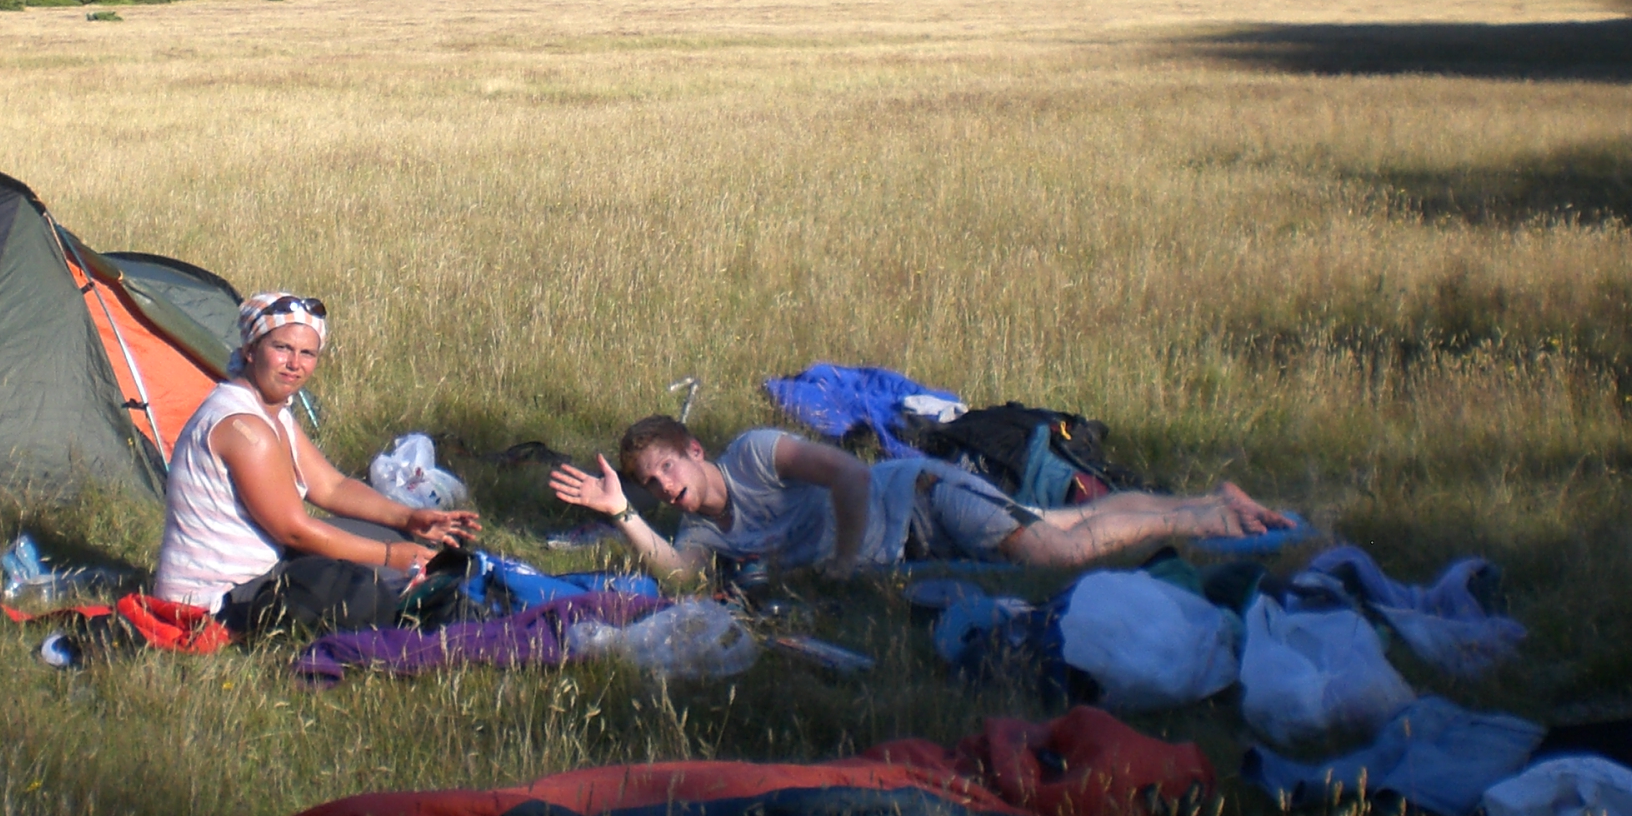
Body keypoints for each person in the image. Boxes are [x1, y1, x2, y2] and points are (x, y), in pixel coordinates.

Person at [549, 415, 1284, 578]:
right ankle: (1202, 500)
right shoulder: (705, 537)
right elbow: (679, 578)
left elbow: (850, 474)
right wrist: (621, 516)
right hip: (913, 540)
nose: (664, 489)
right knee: (1068, 519)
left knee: (1056, 553)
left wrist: (844, 562)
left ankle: (1214, 519)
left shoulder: (756, 453)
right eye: (651, 486)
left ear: (694, 452)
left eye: (666, 472)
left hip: (922, 498)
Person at [155, 291, 479, 631]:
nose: (295, 364)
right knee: (365, 591)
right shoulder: (244, 428)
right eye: (282, 348)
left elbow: (331, 487)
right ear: (251, 350)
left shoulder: (272, 414)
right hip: (218, 600)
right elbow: (294, 532)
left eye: (307, 353)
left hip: (266, 567)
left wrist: (410, 517)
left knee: (400, 537)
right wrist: (390, 556)